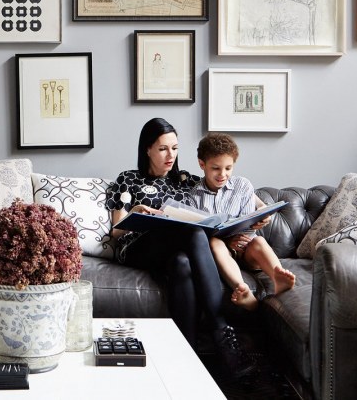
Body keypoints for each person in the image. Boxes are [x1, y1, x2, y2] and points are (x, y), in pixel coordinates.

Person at [105, 118, 254, 375]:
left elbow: (234, 190)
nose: (170, 155)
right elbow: (115, 232)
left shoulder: (185, 180)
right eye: (163, 149)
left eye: (174, 148)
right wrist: (136, 212)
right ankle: (221, 331)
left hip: (176, 251)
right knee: (194, 233)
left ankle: (187, 354)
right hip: (139, 247)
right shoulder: (128, 179)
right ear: (147, 149)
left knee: (182, 263)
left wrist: (260, 212)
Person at [192, 133, 296, 311]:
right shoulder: (195, 196)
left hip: (246, 249)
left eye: (228, 168)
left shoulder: (242, 186)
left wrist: (258, 218)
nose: (222, 174)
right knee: (214, 242)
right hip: (220, 254)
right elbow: (199, 235)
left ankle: (277, 277)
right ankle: (242, 289)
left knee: (259, 241)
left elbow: (247, 224)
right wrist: (227, 242)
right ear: (202, 164)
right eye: (216, 168)